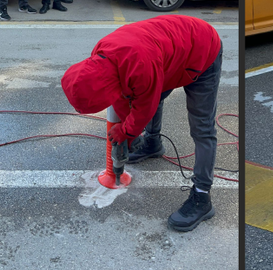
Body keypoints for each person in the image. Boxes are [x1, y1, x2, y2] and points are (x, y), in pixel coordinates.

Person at [62, 15, 223, 232]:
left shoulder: (140, 66)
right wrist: (127, 132)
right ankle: (152, 144)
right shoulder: (101, 55)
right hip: (167, 53)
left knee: (202, 128)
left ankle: (202, 198)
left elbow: (144, 105)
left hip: (202, 50)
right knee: (148, 95)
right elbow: (120, 96)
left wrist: (127, 132)